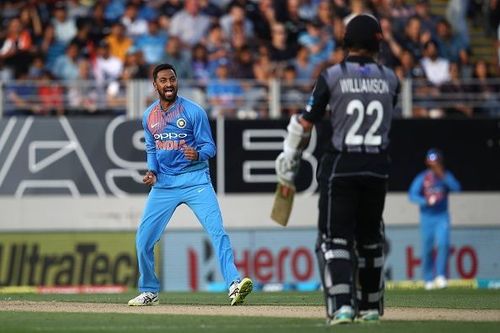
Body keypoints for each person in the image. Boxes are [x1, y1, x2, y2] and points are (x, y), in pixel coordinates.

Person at [275, 15, 400, 325]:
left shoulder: (332, 75)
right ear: (377, 41)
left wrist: (291, 155)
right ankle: (371, 308)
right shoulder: (391, 78)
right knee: (370, 238)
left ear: (347, 42)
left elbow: (306, 123)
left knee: (334, 239)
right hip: (378, 167)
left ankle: (342, 306)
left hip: (341, 165)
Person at [128, 63, 252, 306]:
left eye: (172, 79)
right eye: (163, 81)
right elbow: (152, 148)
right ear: (155, 85)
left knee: (217, 232)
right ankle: (149, 291)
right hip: (164, 184)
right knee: (143, 240)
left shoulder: (194, 111)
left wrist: (197, 154)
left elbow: (210, 148)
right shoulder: (149, 116)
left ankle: (234, 284)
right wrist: (152, 171)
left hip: (195, 181)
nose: (169, 84)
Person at [409, 149, 461, 290]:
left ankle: (441, 276)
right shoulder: (423, 177)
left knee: (443, 244)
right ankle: (428, 279)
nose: (434, 165)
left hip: (441, 216)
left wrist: (443, 175)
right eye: (431, 162)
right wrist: (426, 200)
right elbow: (412, 195)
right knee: (427, 248)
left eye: (436, 162)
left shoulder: (444, 176)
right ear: (427, 163)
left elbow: (456, 188)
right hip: (427, 218)